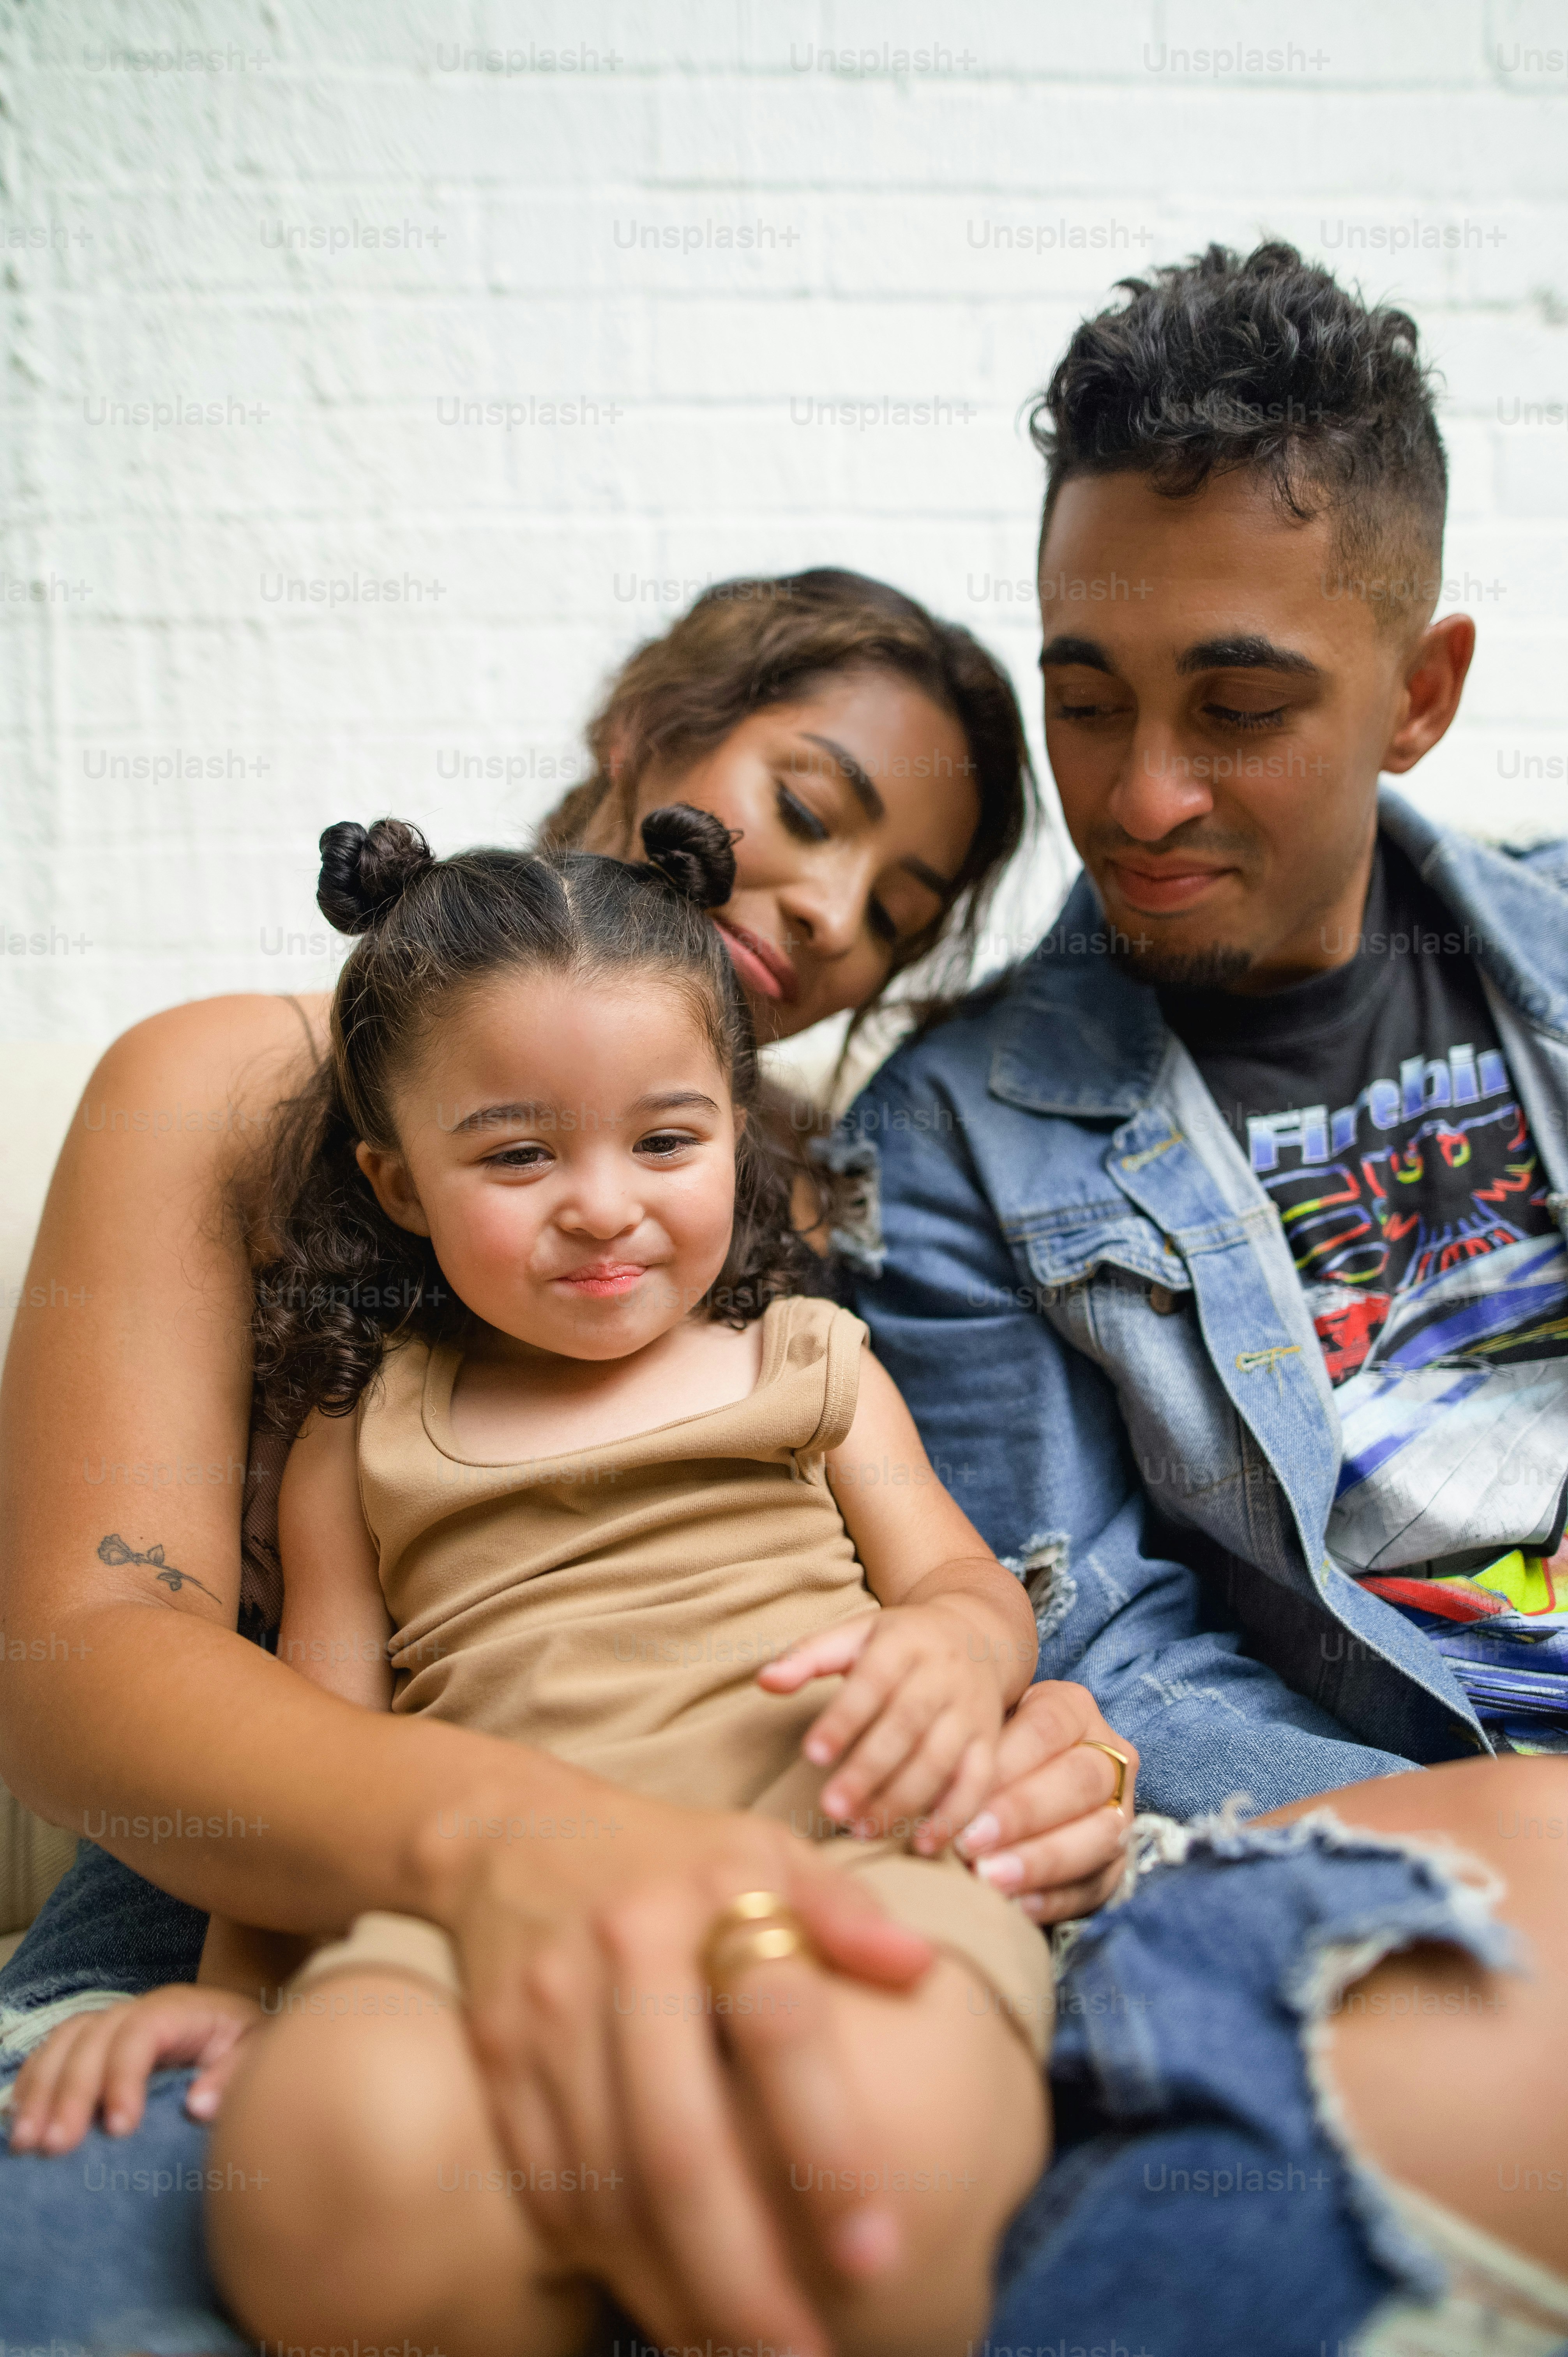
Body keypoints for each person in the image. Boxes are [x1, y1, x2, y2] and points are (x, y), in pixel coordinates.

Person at [0, 567, 1130, 2351]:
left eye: (901, 911)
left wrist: (1021, 1719)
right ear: (649, 738)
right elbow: (87, 1658)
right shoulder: (227, 1084)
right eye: (805, 808)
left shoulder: (804, 1224)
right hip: (298, 1871)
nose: (832, 910)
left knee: (913, 2182)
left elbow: (953, 1578)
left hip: (806, 1836)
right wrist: (475, 1870)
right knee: (224, 2242)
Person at [838, 242, 1568, 1823]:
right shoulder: (954, 1147)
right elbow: (1103, 1654)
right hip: (1422, 1838)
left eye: (1239, 712)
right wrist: (1496, 1832)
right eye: (1088, 703)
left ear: (1420, 694)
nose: (1142, 799)